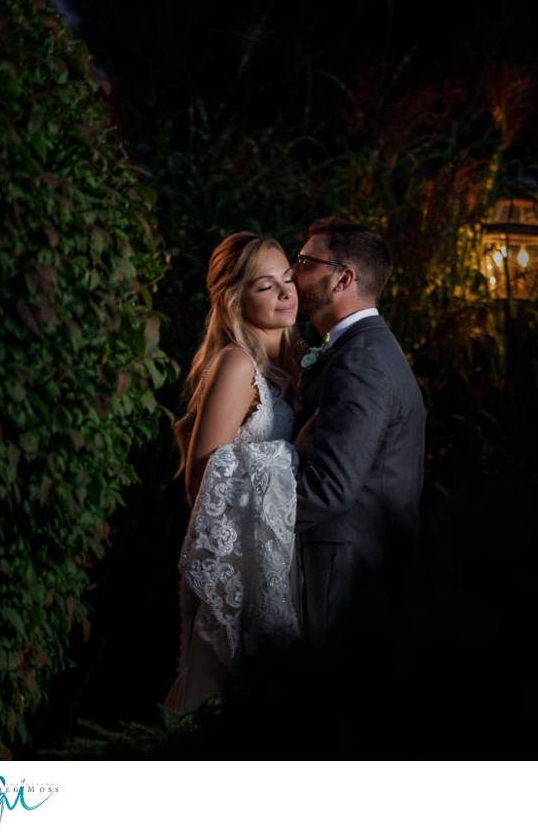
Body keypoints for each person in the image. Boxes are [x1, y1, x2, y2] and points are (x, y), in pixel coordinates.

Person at [164, 232, 313, 714]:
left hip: (281, 561)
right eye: (265, 286)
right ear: (234, 300)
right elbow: (201, 480)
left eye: (288, 278)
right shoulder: (236, 364)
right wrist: (290, 458)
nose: (286, 291)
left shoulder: (290, 369)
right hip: (235, 564)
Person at [290, 217, 425, 643]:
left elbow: (330, 489)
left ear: (342, 278)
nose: (293, 274)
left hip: (344, 573)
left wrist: (244, 525)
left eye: (304, 262)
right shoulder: (361, 349)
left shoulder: (362, 359)